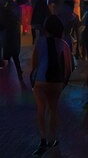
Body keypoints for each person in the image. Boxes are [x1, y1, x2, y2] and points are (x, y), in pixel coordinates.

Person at [31, 15, 72, 156]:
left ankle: (42, 139)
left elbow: (34, 64)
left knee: (41, 109)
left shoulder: (40, 42)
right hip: (57, 82)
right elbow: (68, 67)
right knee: (53, 109)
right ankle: (52, 138)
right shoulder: (64, 44)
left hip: (41, 81)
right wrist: (64, 82)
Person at [0, 0, 23, 80]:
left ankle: (5, 77)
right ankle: (19, 73)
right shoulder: (16, 10)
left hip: (8, 37)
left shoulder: (5, 11)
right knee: (15, 57)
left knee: (7, 55)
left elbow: (1, 25)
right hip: (14, 38)